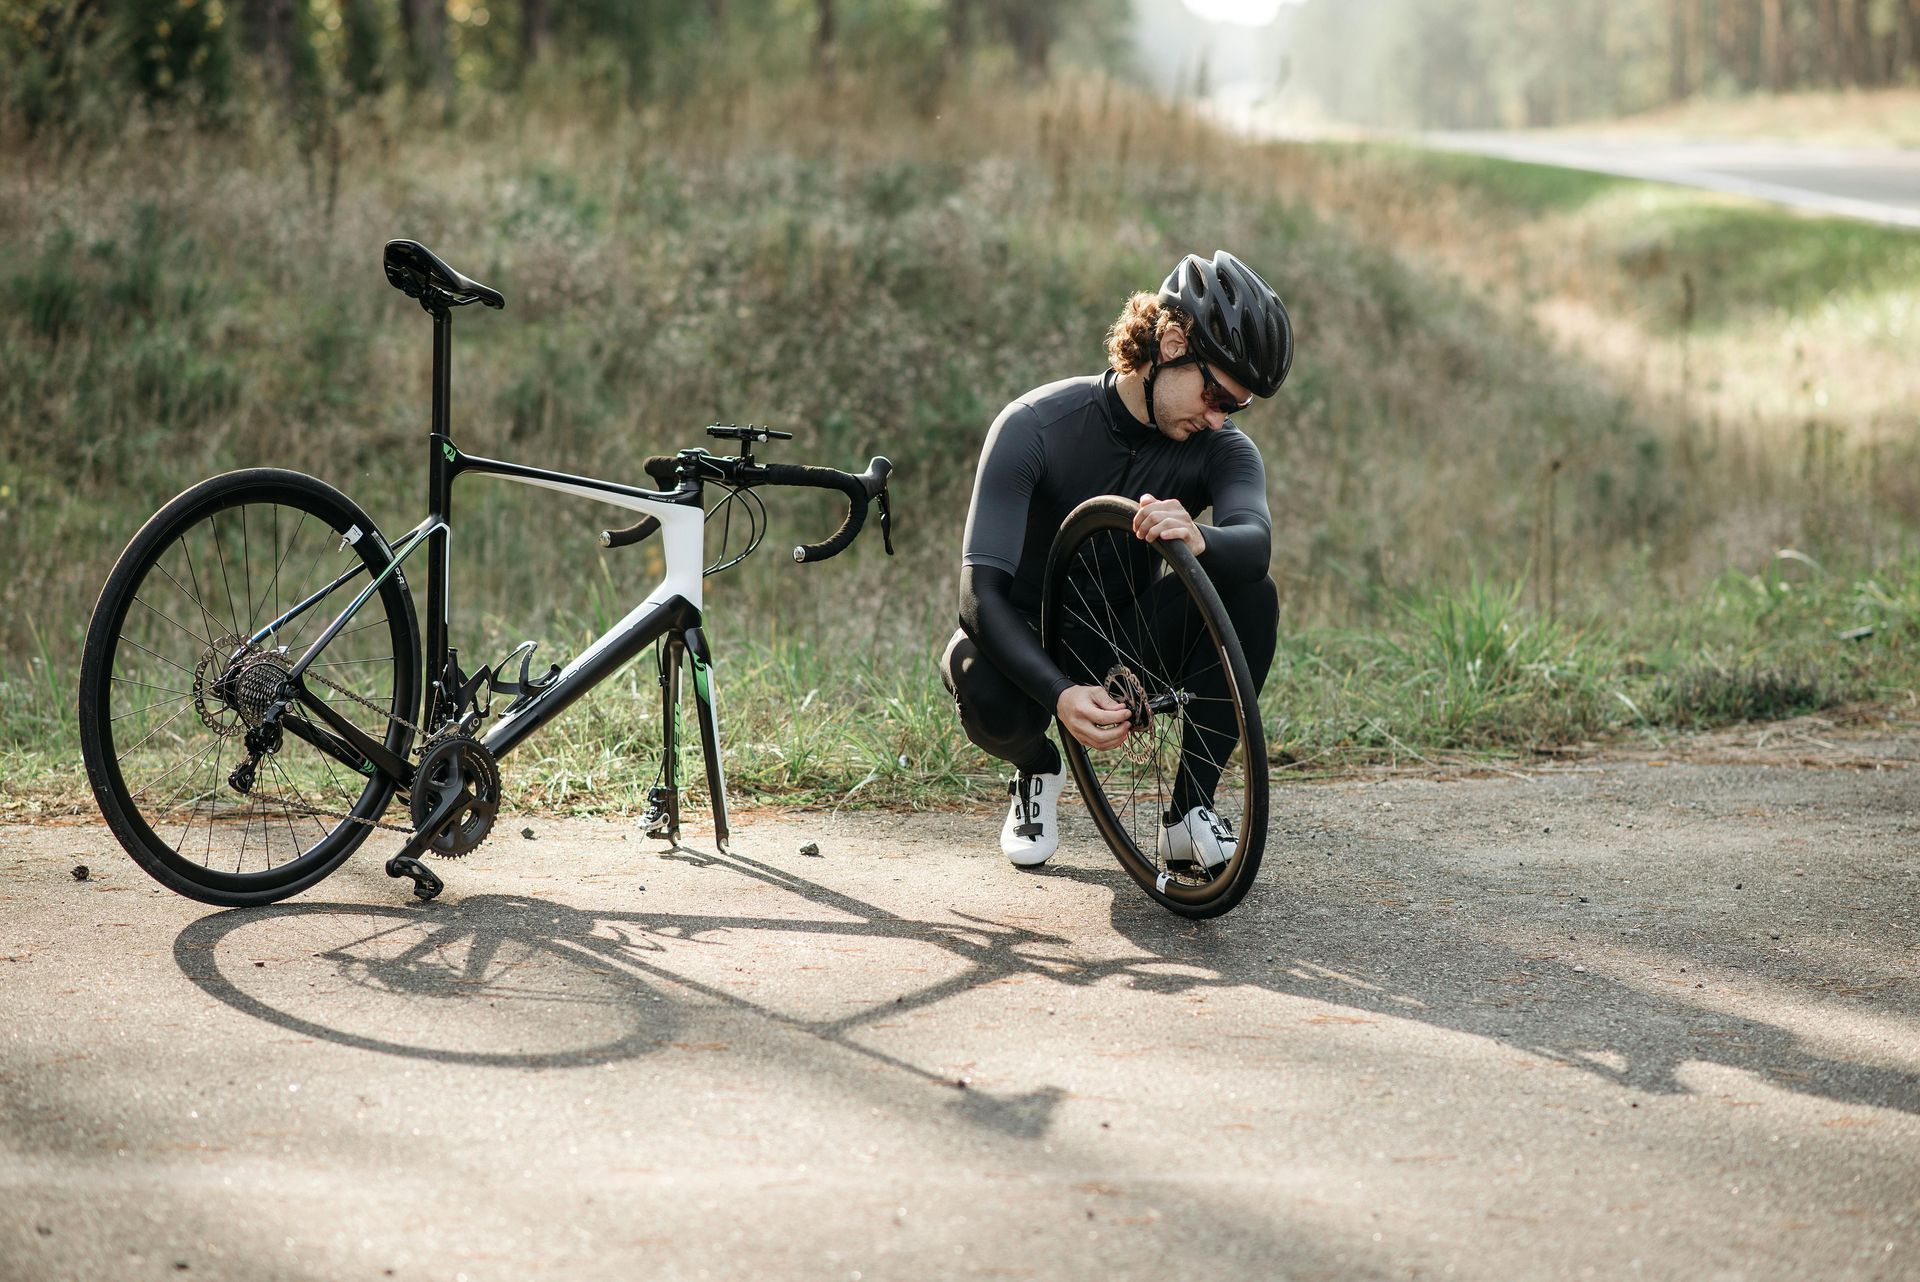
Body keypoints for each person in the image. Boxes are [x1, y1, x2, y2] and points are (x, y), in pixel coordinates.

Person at [941, 250, 1290, 870]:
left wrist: (1202, 538)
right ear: (1171, 343)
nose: (1217, 418)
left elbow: (1255, 542)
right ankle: (1036, 769)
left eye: (1234, 407)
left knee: (1252, 593)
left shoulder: (1219, 448)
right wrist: (1058, 695)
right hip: (1027, 646)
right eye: (1214, 393)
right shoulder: (1036, 426)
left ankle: (1187, 814)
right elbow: (978, 596)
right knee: (975, 670)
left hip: (1123, 641)